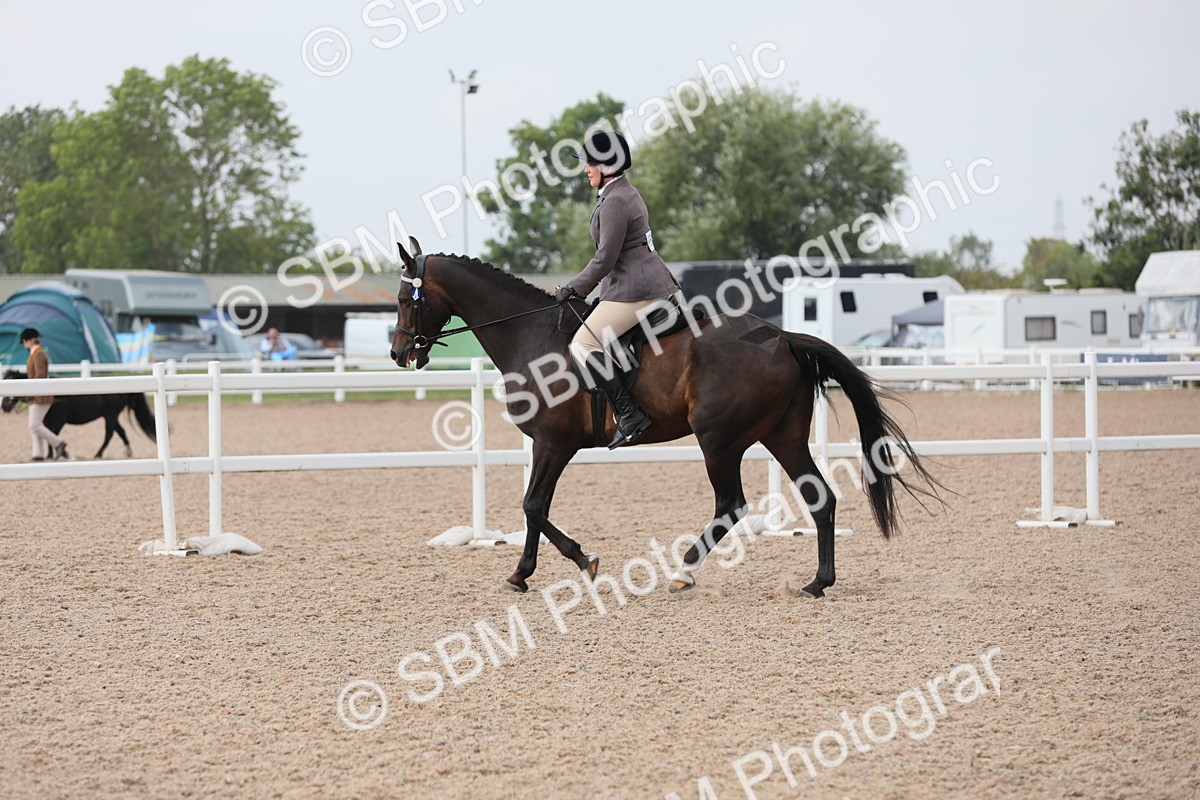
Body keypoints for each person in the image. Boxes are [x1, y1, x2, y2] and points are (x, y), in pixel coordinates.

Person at [554, 130, 680, 449]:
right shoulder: (620, 193)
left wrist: (574, 287)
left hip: (637, 289)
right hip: (635, 284)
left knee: (584, 343)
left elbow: (605, 258)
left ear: (608, 166)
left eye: (590, 163)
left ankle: (629, 413)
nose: (586, 169)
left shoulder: (615, 202)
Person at [21, 328, 68, 462]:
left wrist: (31, 392)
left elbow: (40, 375)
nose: (24, 343)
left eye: (25, 341)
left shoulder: (39, 354)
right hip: (35, 394)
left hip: (41, 395)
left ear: (29, 340)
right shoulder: (34, 354)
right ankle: (38, 454)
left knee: (34, 425)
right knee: (34, 426)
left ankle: (58, 443)